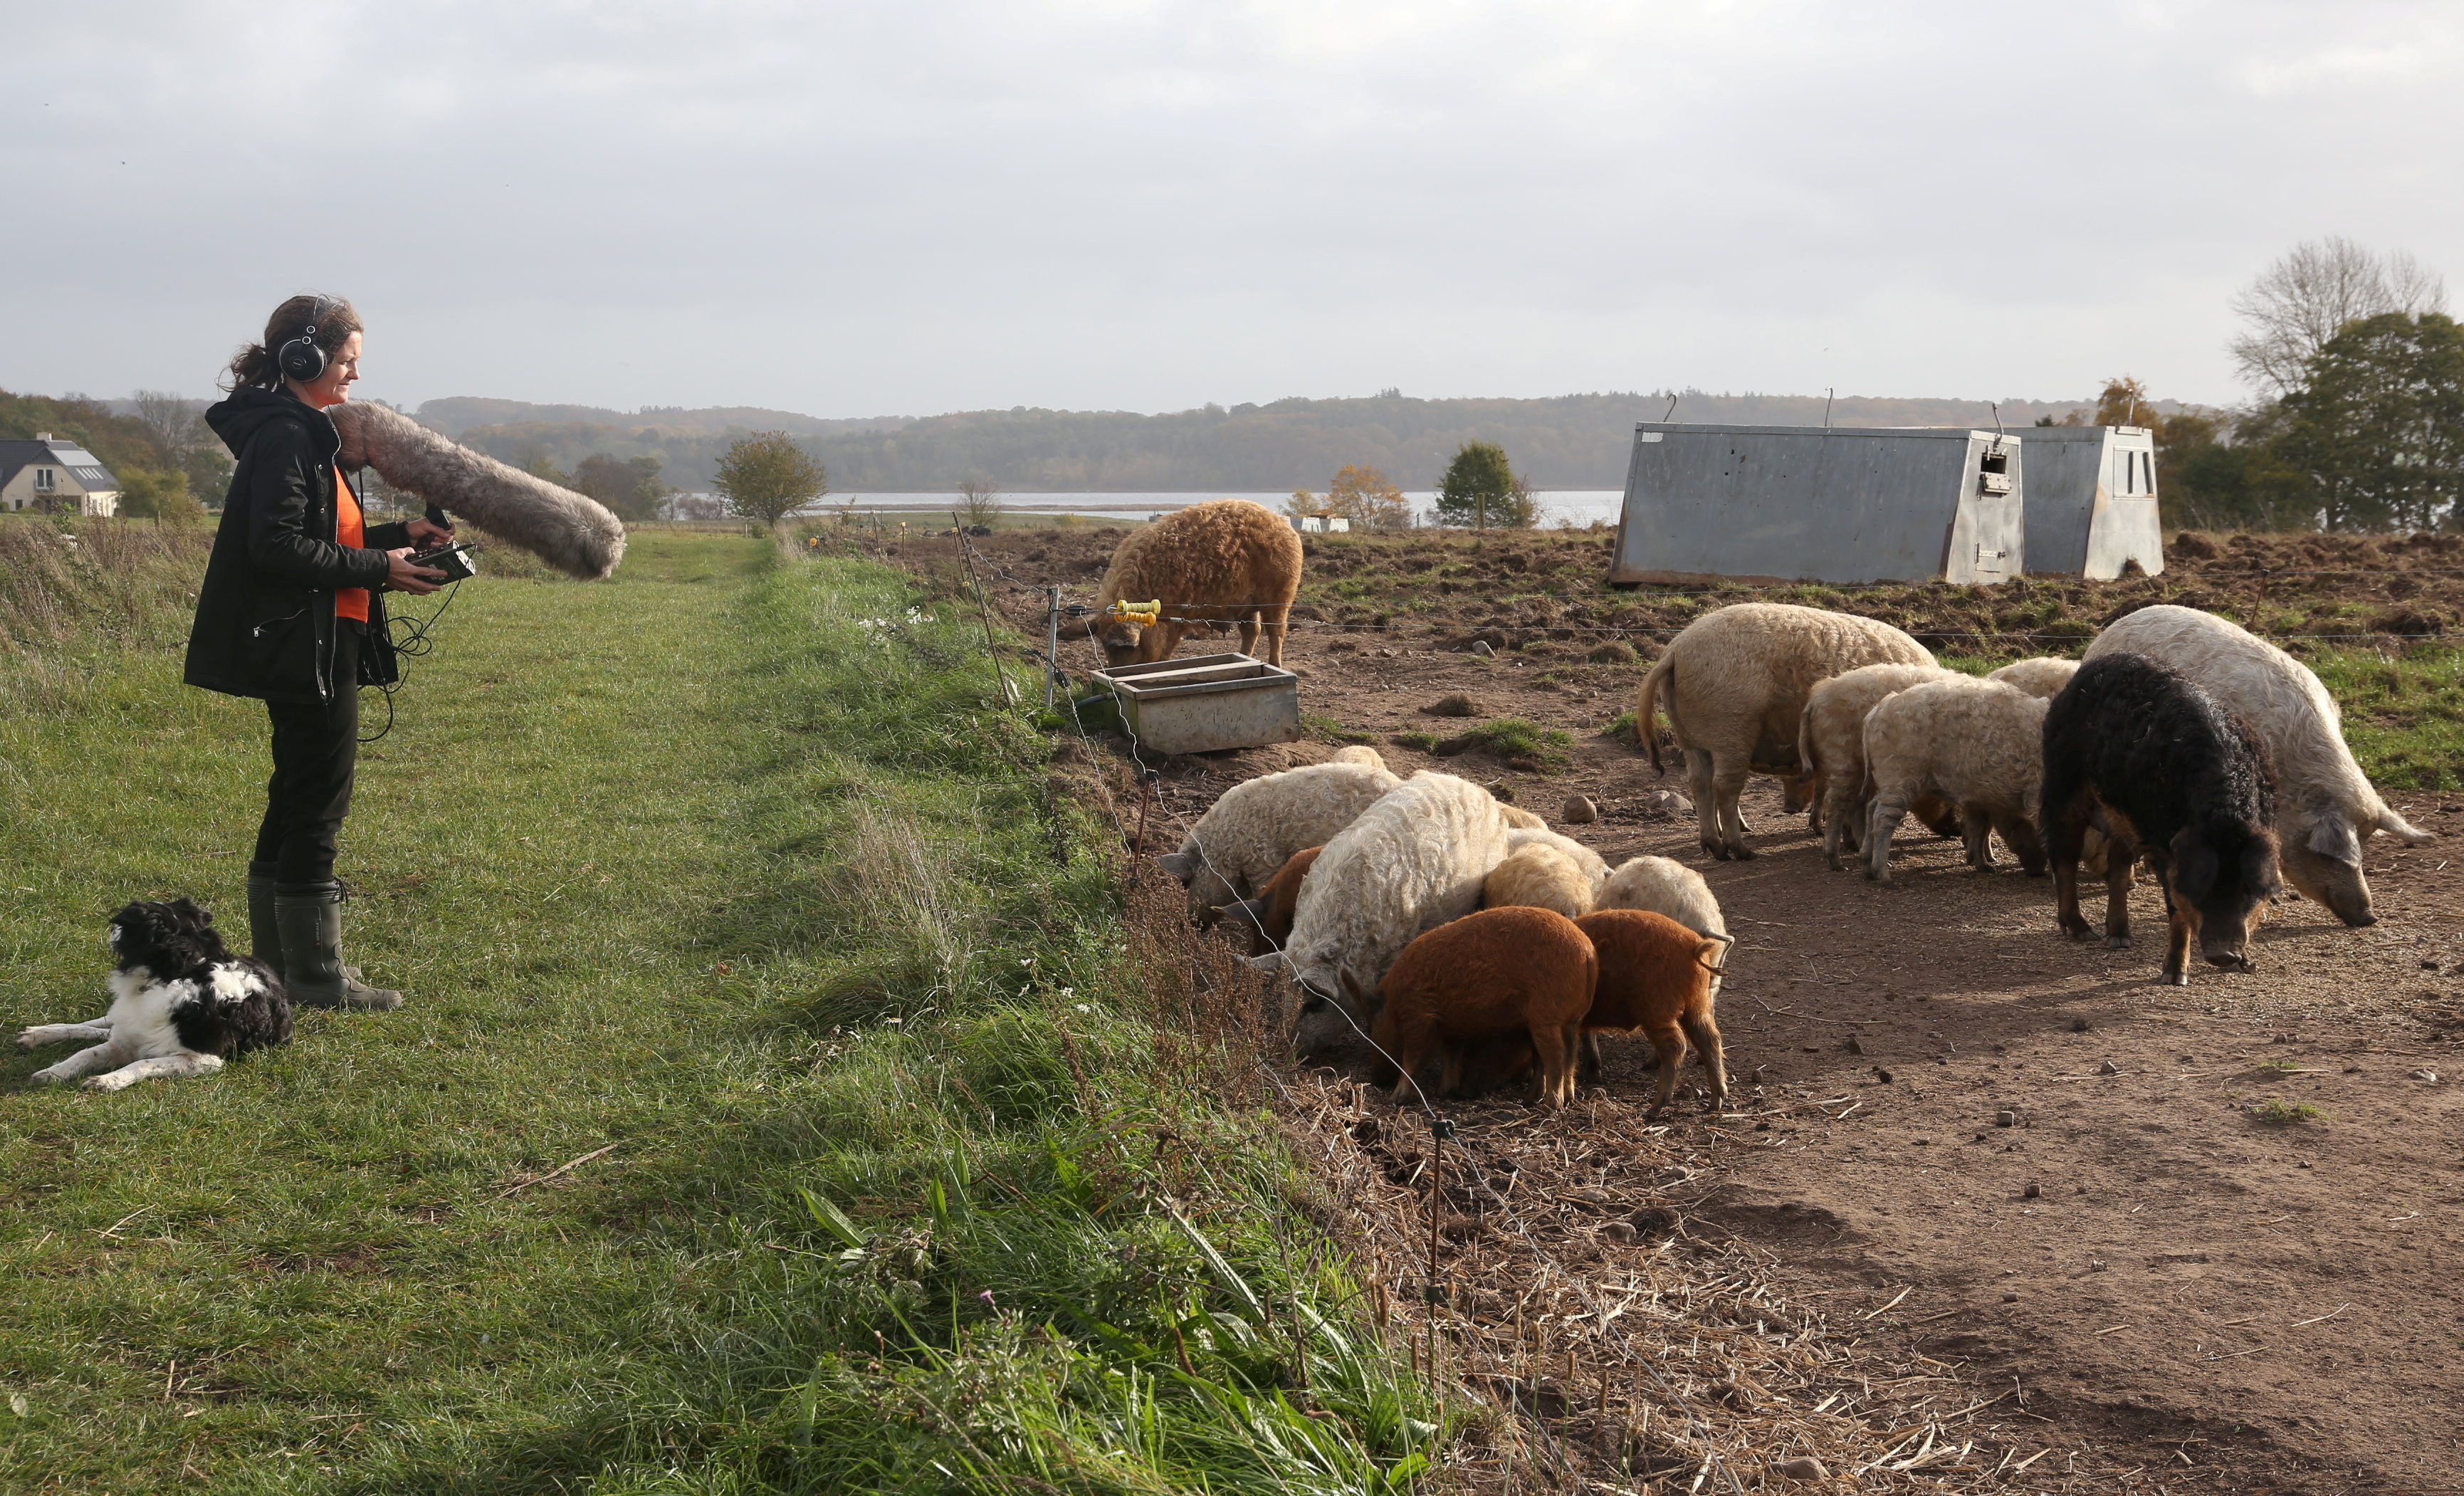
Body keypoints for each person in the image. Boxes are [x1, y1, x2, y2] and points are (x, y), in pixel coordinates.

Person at [184, 294, 449, 1010]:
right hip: (306, 645)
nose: (355, 377)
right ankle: (313, 976)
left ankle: (277, 969)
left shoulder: (294, 431)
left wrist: (398, 535)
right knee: (318, 804)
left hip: (317, 635)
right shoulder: (288, 436)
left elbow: (322, 535)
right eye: (348, 361)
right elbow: (276, 548)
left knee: (297, 796)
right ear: (305, 359)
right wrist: (381, 568)